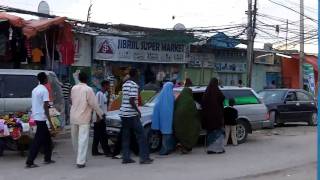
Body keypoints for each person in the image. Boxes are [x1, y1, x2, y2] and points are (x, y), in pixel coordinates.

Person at [70, 72, 105, 168]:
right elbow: (94, 104)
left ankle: (79, 157)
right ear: (87, 79)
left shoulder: (74, 88)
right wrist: (100, 114)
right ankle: (81, 161)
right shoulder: (88, 89)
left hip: (73, 116)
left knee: (75, 140)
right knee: (83, 139)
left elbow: (71, 100)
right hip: (84, 117)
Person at [119, 68, 153, 164]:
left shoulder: (125, 84)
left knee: (126, 136)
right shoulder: (134, 85)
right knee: (142, 136)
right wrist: (138, 111)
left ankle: (126, 158)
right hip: (131, 114)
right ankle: (144, 158)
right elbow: (131, 100)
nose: (139, 75)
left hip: (123, 113)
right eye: (138, 73)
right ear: (135, 75)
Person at [26, 72, 55, 168]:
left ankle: (47, 158)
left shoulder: (35, 90)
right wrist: (50, 121)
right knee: (38, 141)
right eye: (47, 78)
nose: (48, 79)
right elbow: (45, 106)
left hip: (36, 116)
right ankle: (30, 161)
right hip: (42, 117)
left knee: (47, 139)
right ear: (45, 79)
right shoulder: (44, 90)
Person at [173, 87, 201, 154]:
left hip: (178, 122)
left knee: (182, 133)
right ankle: (187, 146)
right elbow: (194, 112)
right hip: (188, 123)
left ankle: (182, 145)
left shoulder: (178, 99)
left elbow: (174, 107)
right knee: (193, 129)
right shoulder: (190, 101)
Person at [202, 78, 225, 154]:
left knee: (210, 133)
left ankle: (210, 149)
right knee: (218, 133)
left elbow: (203, 103)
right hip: (217, 117)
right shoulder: (217, 91)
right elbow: (222, 98)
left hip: (208, 118)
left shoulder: (207, 92)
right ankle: (218, 149)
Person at [151, 82, 175, 155]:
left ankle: (165, 150)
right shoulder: (171, 96)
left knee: (164, 134)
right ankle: (166, 149)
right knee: (167, 134)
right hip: (169, 118)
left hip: (162, 118)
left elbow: (156, 107)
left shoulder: (160, 96)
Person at [92, 80, 112, 156]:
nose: (109, 87)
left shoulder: (104, 94)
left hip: (102, 117)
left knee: (97, 136)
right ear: (105, 86)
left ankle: (94, 151)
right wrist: (98, 118)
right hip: (99, 118)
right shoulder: (99, 94)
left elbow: (105, 105)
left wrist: (109, 95)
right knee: (103, 136)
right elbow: (97, 106)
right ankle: (107, 152)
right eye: (108, 85)